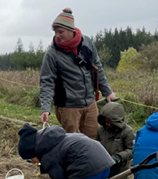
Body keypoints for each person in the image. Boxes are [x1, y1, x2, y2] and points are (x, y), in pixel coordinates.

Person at [39, 8, 116, 139]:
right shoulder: (52, 54)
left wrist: (107, 92)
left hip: (90, 103)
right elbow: (47, 82)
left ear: (71, 30)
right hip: (68, 107)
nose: (57, 35)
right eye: (55, 32)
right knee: (71, 143)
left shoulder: (87, 43)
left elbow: (98, 69)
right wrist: (45, 108)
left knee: (94, 141)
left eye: (60, 32)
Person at [96, 102, 135, 179]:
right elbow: (94, 145)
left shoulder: (127, 132)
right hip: (102, 169)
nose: (108, 124)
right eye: (106, 121)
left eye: (111, 122)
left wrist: (119, 157)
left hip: (119, 171)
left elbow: (132, 150)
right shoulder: (100, 130)